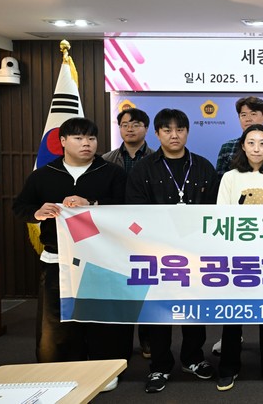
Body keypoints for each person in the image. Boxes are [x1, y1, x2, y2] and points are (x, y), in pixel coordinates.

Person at [12, 117, 132, 392]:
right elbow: (20, 207)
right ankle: (62, 369)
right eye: (78, 138)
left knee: (102, 317)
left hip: (102, 259)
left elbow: (127, 208)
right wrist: (37, 212)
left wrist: (92, 204)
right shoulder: (44, 174)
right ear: (63, 141)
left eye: (91, 138)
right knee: (58, 319)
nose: (86, 143)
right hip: (58, 260)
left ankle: (105, 369)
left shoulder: (112, 173)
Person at [126, 109, 218, 394]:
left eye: (180, 129)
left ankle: (193, 359)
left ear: (187, 132)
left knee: (194, 310)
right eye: (167, 130)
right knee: (158, 312)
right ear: (157, 134)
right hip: (157, 254)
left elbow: (216, 210)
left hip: (195, 253)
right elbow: (134, 212)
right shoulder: (144, 169)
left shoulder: (203, 166)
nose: (174, 135)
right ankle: (160, 366)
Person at [214, 124, 263, 391]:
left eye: (262, 143)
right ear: (243, 146)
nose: (256, 148)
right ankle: (228, 367)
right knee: (233, 314)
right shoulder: (230, 177)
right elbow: (222, 215)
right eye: (251, 143)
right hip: (237, 255)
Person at [102, 107, 155, 360]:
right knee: (120, 288)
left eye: (135, 124)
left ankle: (147, 339)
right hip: (116, 235)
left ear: (146, 128)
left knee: (148, 287)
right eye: (125, 124)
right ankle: (120, 343)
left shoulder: (157, 159)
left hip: (148, 234)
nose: (130, 129)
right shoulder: (105, 160)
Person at [215, 96, 263, 175]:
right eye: (243, 115)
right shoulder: (227, 147)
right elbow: (220, 180)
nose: (248, 119)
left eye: (253, 114)